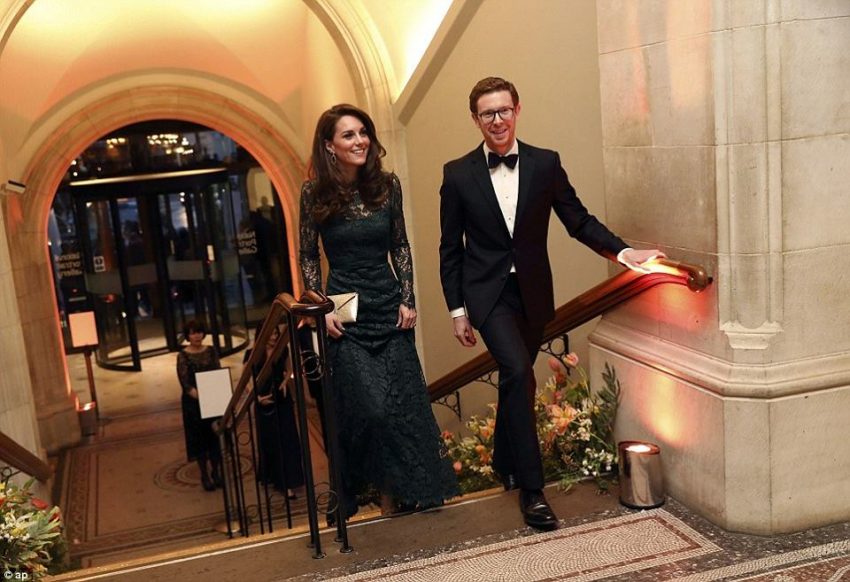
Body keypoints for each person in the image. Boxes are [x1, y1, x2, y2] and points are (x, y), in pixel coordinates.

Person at [439, 77, 663, 530]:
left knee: (516, 380)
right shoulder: (457, 173)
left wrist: (623, 253)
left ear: (517, 110)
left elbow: (577, 220)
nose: (497, 120)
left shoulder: (545, 163)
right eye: (488, 113)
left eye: (504, 110)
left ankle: (504, 460)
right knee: (518, 370)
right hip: (487, 294)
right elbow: (450, 248)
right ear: (475, 119)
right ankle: (532, 490)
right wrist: (457, 310)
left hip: (533, 293)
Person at [299, 103, 458, 519]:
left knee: (404, 404)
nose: (360, 141)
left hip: (389, 306)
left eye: (363, 133)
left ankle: (411, 492)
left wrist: (408, 297)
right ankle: (361, 490)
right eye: (349, 135)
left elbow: (400, 244)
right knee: (370, 410)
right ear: (329, 146)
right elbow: (308, 254)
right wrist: (319, 307)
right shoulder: (313, 193)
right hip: (345, 314)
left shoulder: (387, 185)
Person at [244, 323, 305, 499]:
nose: (273, 337)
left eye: (276, 334)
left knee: (288, 440)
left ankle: (289, 482)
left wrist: (285, 382)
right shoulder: (252, 354)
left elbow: (290, 369)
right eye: (270, 334)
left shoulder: (282, 350)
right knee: (271, 442)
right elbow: (246, 380)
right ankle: (274, 478)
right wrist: (256, 397)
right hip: (263, 402)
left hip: (282, 399)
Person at [176, 319, 223, 491]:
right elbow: (185, 384)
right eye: (193, 333)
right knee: (200, 440)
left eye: (199, 332)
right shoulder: (183, 356)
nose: (196, 336)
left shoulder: (211, 351)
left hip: (212, 400)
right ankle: (204, 475)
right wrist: (203, 398)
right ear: (187, 336)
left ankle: (216, 472)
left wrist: (215, 398)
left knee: (214, 438)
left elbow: (217, 373)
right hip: (193, 404)